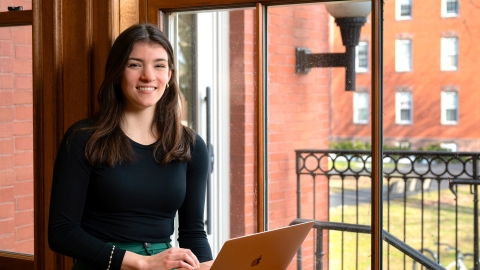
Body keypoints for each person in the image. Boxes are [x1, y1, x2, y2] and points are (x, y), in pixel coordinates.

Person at [48, 23, 212, 270]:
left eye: (159, 65)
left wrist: (207, 266)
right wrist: (143, 263)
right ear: (117, 72)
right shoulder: (83, 138)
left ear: (169, 75)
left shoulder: (191, 146)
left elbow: (193, 233)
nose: (148, 76)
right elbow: (62, 232)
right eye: (135, 64)